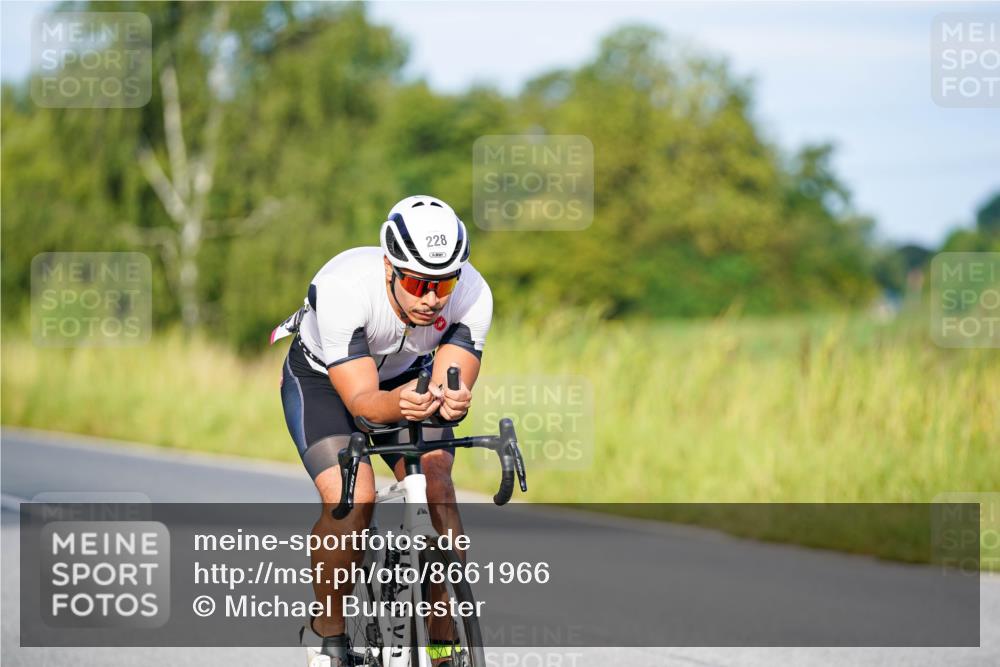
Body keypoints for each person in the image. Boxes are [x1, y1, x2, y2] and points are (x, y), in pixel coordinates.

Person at [272, 195, 492, 667]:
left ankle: (442, 642)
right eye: (417, 282)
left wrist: (451, 401)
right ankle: (327, 637)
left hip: (406, 376)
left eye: (444, 282)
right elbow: (364, 406)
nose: (432, 298)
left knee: (438, 488)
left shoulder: (473, 293)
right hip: (326, 382)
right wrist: (402, 405)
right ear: (390, 267)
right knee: (354, 499)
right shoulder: (343, 288)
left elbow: (452, 378)